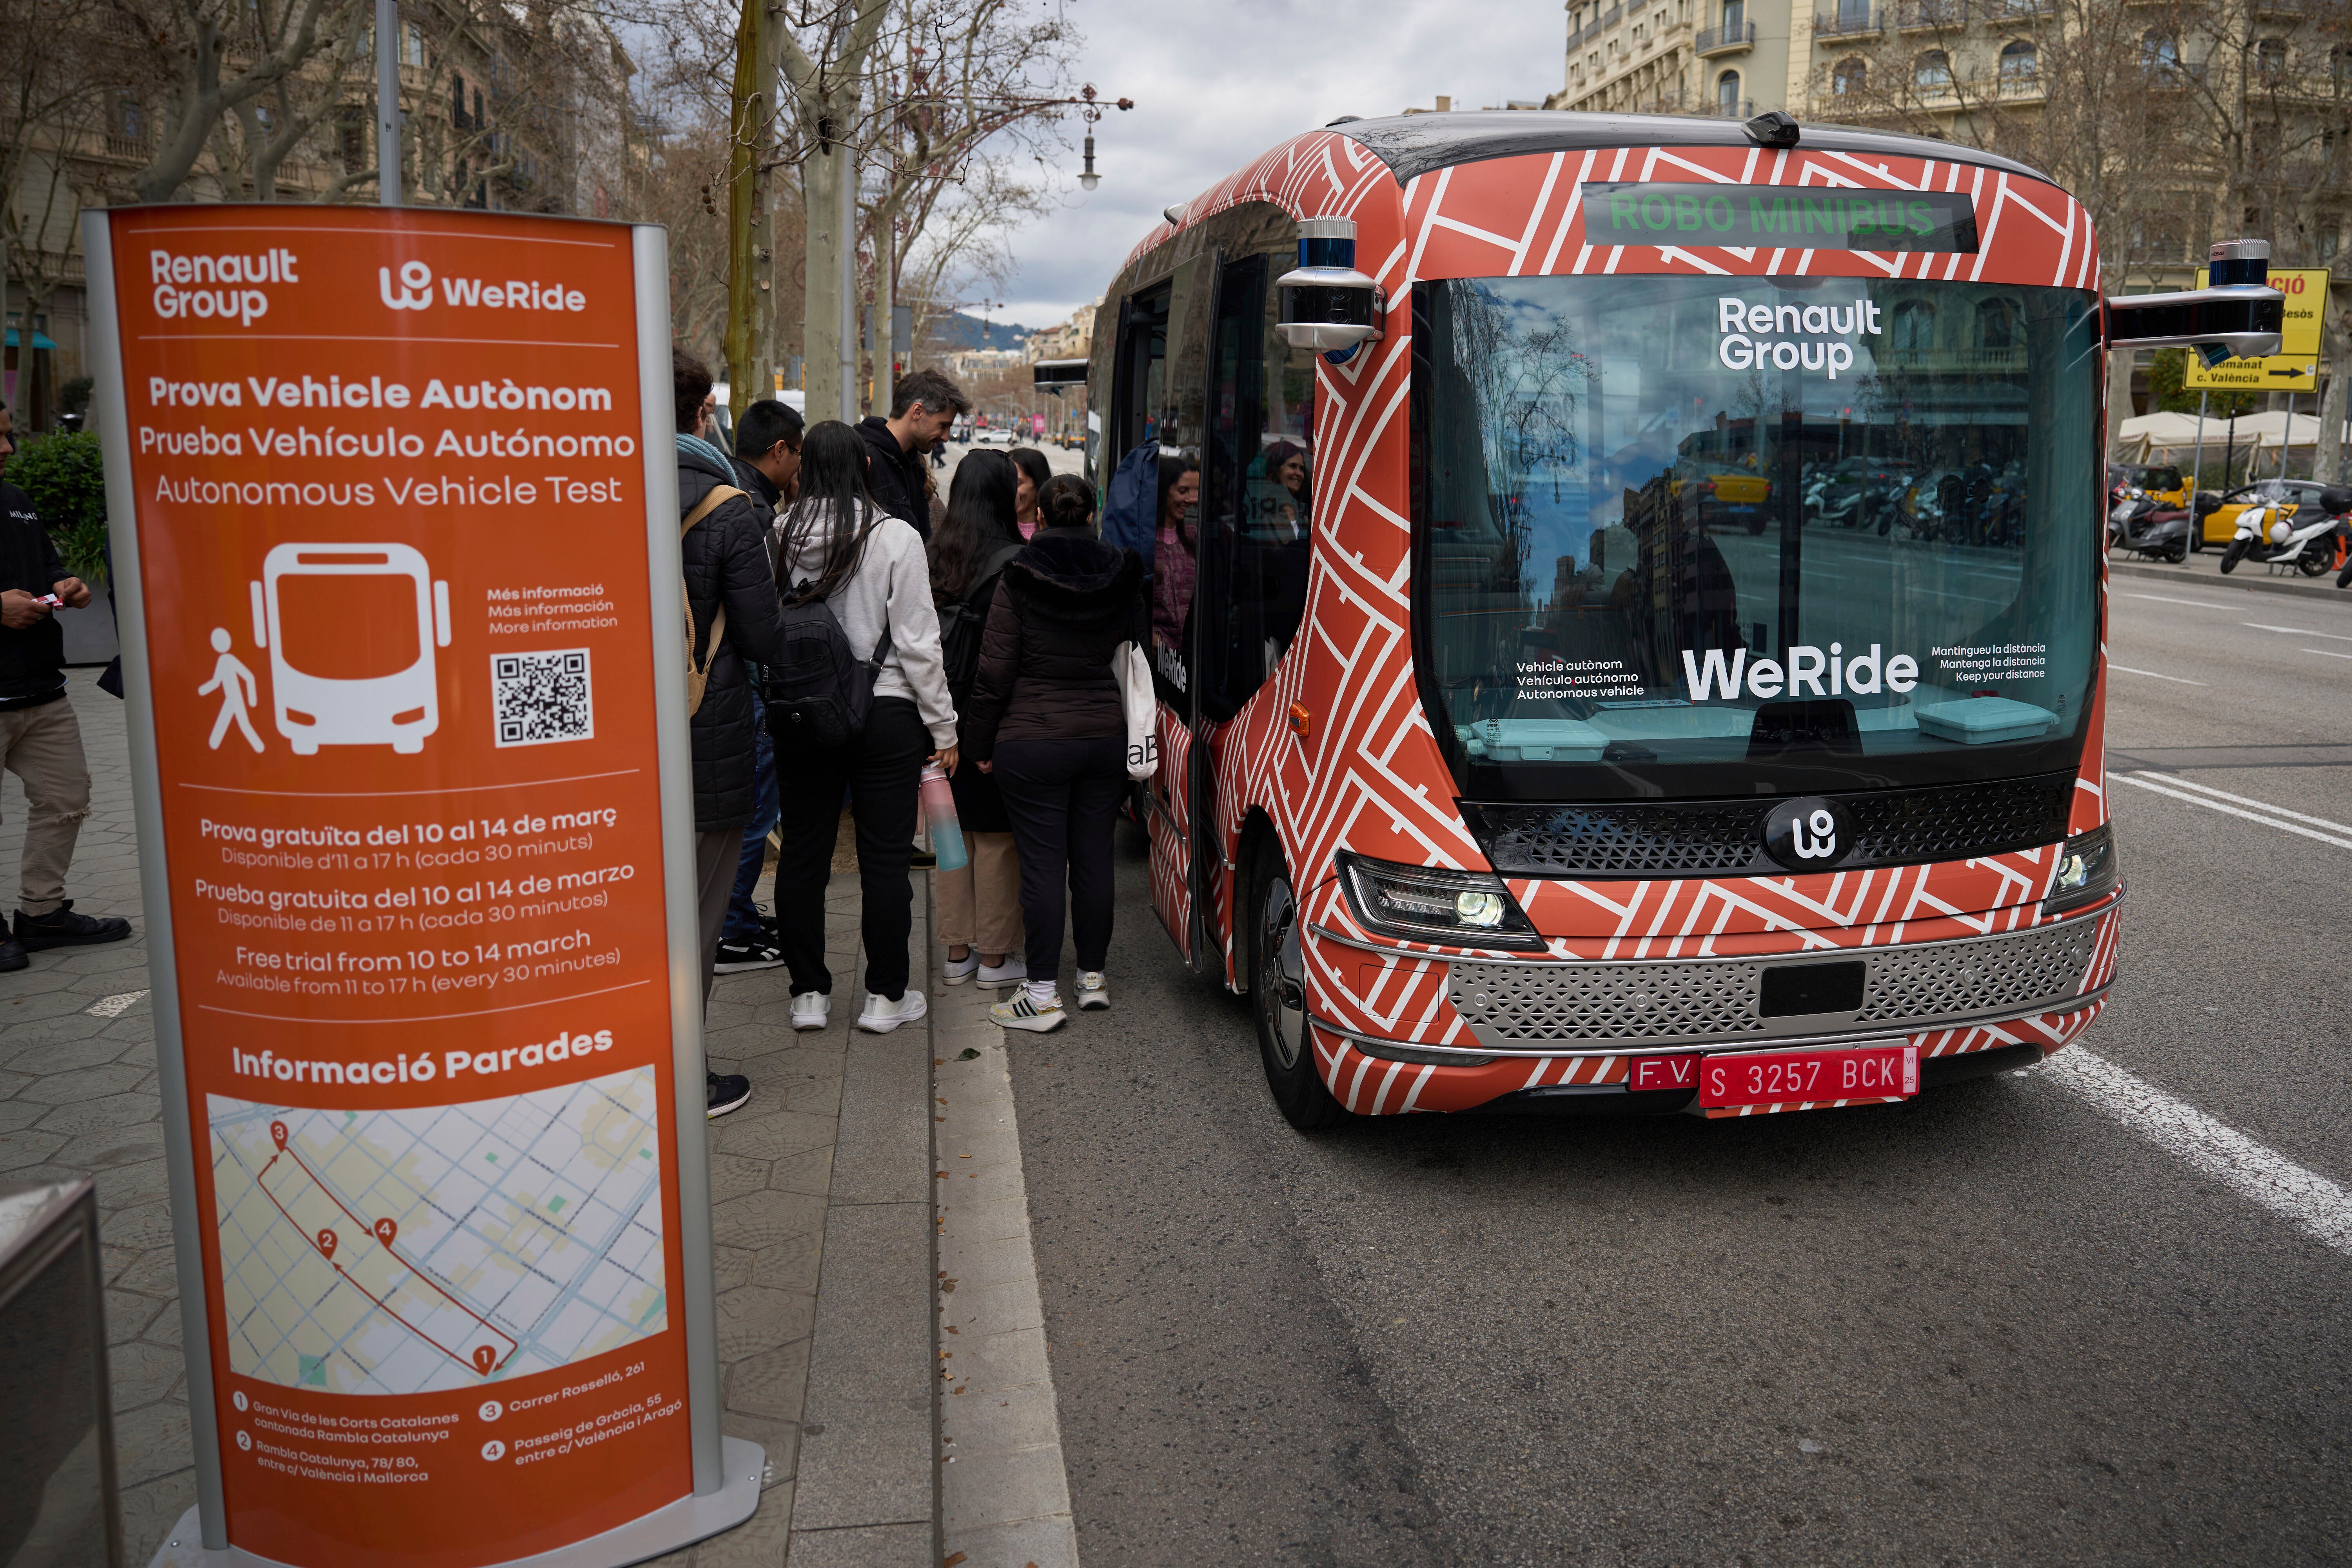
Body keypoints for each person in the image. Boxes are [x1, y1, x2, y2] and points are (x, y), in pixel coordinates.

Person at [771, 420, 958, 1035]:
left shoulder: (779, 533)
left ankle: (808, 996)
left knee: (803, 853)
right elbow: (919, 643)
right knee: (883, 859)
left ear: (805, 471)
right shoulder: (896, 536)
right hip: (887, 711)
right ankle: (885, 997)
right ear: (867, 469)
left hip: (804, 713)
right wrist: (945, 727)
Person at [963, 475, 1147, 1033]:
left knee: (1042, 864)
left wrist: (979, 745)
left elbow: (993, 673)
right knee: (1094, 858)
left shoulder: (1018, 578)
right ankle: (1091, 978)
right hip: (1103, 736)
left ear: (1039, 516)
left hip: (1032, 738)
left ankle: (1041, 992)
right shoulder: (1121, 574)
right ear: (1092, 515)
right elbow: (1134, 651)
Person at [674, 351, 784, 1117]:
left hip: (608, 742)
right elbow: (763, 634)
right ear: (703, 409)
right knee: (698, 915)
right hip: (704, 732)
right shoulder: (726, 507)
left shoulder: (575, 482)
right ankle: (685, 1075)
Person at [0, 406, 132, 973]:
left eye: (8, 431)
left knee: (67, 800)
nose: (7, 446)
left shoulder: (17, 499)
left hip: (41, 690)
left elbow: (47, 564)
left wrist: (66, 585)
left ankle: (43, 913)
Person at [928, 450, 1027, 991]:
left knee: (950, 834)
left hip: (936, 715)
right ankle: (994, 959)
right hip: (992, 716)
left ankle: (956, 951)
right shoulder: (1015, 562)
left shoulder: (934, 553)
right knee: (995, 839)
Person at [714, 399, 805, 973]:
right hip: (746, 687)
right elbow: (759, 622)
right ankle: (732, 934)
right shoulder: (752, 513)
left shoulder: (729, 493)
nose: (799, 470)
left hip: (723, 684)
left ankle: (737, 918)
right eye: (797, 457)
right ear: (779, 451)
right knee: (754, 812)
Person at [858, 367, 970, 539]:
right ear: (917, 412)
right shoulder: (865, 460)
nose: (946, 437)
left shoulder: (913, 464)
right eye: (943, 425)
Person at [1149, 454, 1200, 655]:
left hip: (1190, 655)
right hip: (1158, 658)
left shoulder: (1195, 538)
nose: (1192, 499)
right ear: (1164, 491)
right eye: (1183, 491)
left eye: (1196, 491)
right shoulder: (1146, 543)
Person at [1007, 447, 1053, 539]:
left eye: (1018, 483)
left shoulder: (1053, 534)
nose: (1009, 489)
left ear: (1039, 486)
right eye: (1005, 482)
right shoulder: (995, 529)